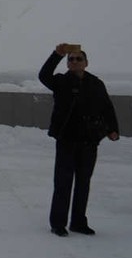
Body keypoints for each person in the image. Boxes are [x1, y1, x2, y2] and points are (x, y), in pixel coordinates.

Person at [39, 43, 120, 237]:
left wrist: (113, 129)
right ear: (67, 64)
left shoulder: (96, 83)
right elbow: (43, 75)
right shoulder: (60, 81)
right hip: (67, 139)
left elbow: (107, 107)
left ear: (86, 62)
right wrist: (56, 54)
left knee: (83, 182)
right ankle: (58, 223)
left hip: (89, 141)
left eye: (78, 59)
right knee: (63, 182)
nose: (74, 62)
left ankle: (78, 222)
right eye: (71, 59)